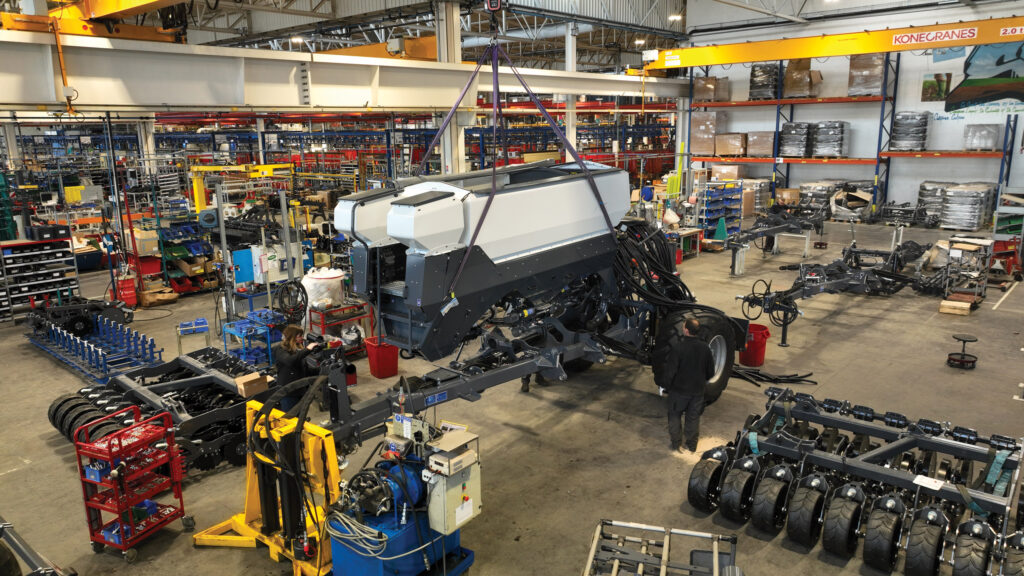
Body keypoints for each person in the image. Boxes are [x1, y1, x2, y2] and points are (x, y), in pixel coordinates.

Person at [653, 317, 714, 454]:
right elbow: (711, 372)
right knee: (693, 418)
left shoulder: (678, 348)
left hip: (679, 392)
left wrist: (664, 385)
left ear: (686, 330)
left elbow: (670, 372)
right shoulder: (705, 348)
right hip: (697, 392)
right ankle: (691, 445)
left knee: (674, 416)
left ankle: (676, 444)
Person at [274, 324, 319, 410]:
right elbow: (290, 361)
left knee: (300, 418)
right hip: (289, 393)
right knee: (290, 419)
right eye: (299, 336)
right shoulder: (280, 349)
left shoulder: (298, 350)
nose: (302, 338)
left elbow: (305, 371)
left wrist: (322, 369)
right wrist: (308, 349)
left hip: (300, 390)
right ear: (292, 337)